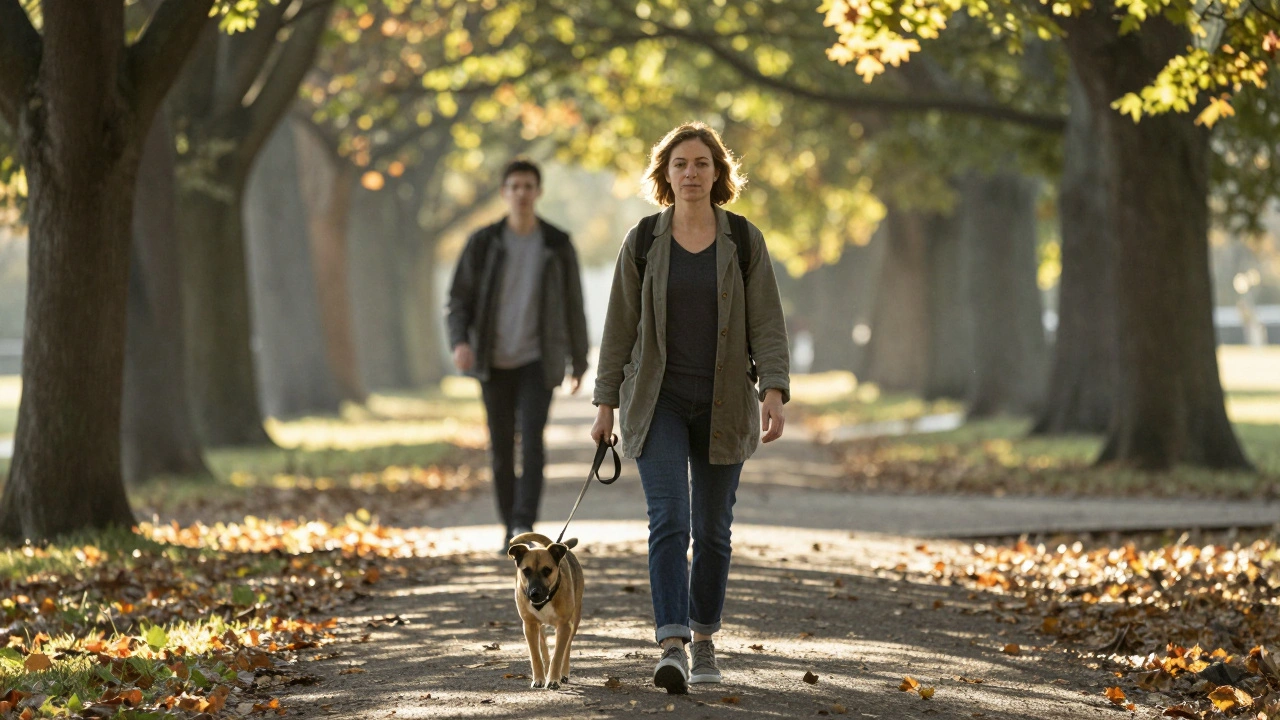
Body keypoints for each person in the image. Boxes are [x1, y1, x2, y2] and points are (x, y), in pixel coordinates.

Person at [590, 123, 790, 694]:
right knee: (670, 520)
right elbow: (618, 329)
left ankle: (705, 639)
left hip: (726, 402)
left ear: (718, 172)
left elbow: (768, 325)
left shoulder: (745, 242)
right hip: (658, 403)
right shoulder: (645, 240)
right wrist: (605, 404)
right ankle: (672, 645)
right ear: (665, 174)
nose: (692, 173)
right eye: (681, 163)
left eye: (702, 163)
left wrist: (773, 389)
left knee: (714, 530)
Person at [447, 158, 590, 552]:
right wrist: (460, 341)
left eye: (529, 186)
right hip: (492, 360)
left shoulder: (557, 244)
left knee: (532, 443)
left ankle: (523, 522)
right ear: (504, 192)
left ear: (538, 192)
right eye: (515, 186)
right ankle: (508, 524)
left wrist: (579, 360)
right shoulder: (484, 242)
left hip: (537, 360)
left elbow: (573, 305)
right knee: (500, 447)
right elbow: (458, 299)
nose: (522, 193)